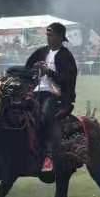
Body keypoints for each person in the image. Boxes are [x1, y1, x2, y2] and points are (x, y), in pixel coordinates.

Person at [25, 22, 78, 171]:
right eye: (47, 34)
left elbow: (67, 80)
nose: (48, 37)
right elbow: (27, 67)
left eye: (51, 35)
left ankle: (48, 153)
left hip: (56, 95)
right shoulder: (41, 52)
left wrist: (48, 72)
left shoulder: (66, 55)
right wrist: (35, 70)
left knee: (44, 117)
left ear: (60, 37)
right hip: (36, 92)